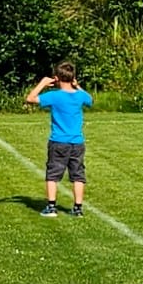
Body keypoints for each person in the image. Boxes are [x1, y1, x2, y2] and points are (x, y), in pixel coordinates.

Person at [27, 61, 92, 218]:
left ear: (57, 78)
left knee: (53, 174)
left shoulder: (54, 96)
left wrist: (42, 83)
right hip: (77, 142)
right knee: (78, 175)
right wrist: (77, 86)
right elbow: (90, 100)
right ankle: (77, 208)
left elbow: (30, 98)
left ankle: (51, 207)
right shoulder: (79, 96)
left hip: (58, 141)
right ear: (73, 77)